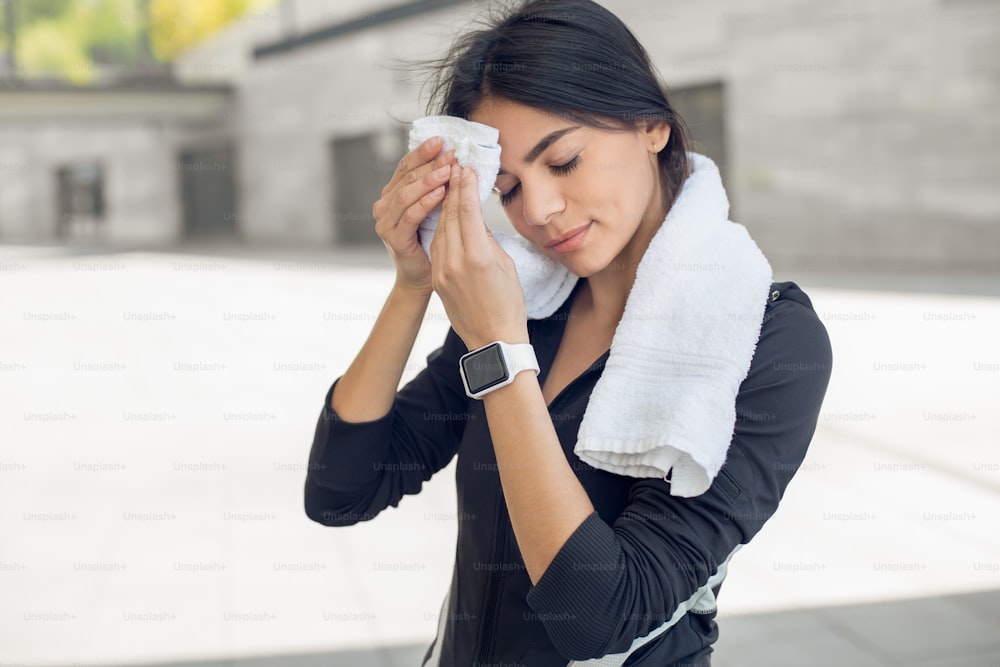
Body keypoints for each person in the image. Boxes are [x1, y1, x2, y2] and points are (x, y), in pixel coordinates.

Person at [304, 0, 833, 664]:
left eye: (564, 161)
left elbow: (598, 616)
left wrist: (500, 353)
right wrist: (414, 282)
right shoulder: (530, 301)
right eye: (509, 188)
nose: (539, 212)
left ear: (651, 125)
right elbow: (340, 488)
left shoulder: (764, 337)